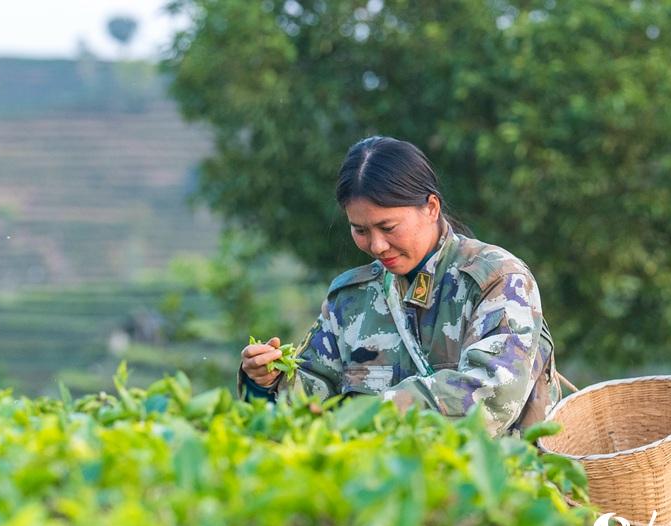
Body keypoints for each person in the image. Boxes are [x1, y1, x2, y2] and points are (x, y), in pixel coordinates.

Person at [239, 136, 560, 436]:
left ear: (431, 207)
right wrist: (266, 382)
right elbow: (306, 409)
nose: (377, 245)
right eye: (360, 230)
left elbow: (493, 398)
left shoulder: (496, 280)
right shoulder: (351, 300)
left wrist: (377, 412)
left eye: (388, 227)